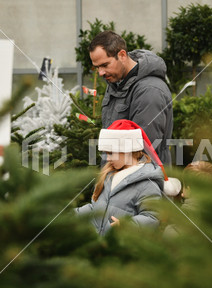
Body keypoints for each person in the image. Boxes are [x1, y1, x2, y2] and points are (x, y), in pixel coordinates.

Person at [75, 120, 181, 236]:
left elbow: (151, 217)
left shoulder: (147, 183)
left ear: (127, 150)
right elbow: (95, 208)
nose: (108, 158)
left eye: (111, 153)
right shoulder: (109, 175)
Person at [89, 31, 173, 164]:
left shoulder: (149, 91)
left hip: (139, 180)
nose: (100, 73)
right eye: (97, 67)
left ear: (122, 55)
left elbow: (142, 154)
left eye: (105, 65)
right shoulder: (116, 82)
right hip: (118, 176)